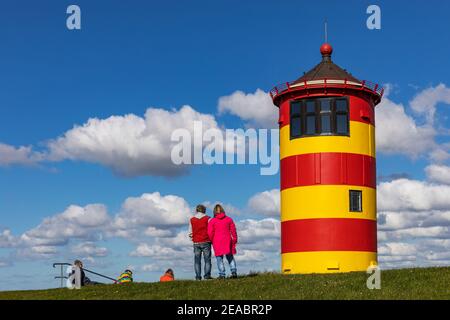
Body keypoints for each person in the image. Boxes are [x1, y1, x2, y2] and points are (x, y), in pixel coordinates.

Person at [207, 204, 238, 279]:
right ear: (222, 210)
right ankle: (233, 272)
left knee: (219, 258)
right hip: (227, 240)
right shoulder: (229, 219)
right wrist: (235, 239)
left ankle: (222, 274)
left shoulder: (212, 221)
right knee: (230, 256)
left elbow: (210, 232)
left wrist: (211, 240)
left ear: (214, 211)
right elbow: (233, 230)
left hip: (217, 241)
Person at [188, 204, 212, 280]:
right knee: (207, 260)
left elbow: (190, 232)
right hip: (206, 241)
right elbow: (211, 230)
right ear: (204, 210)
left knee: (197, 261)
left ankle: (198, 277)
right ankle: (207, 276)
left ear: (197, 210)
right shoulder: (208, 218)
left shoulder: (192, 219)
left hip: (196, 242)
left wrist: (192, 239)